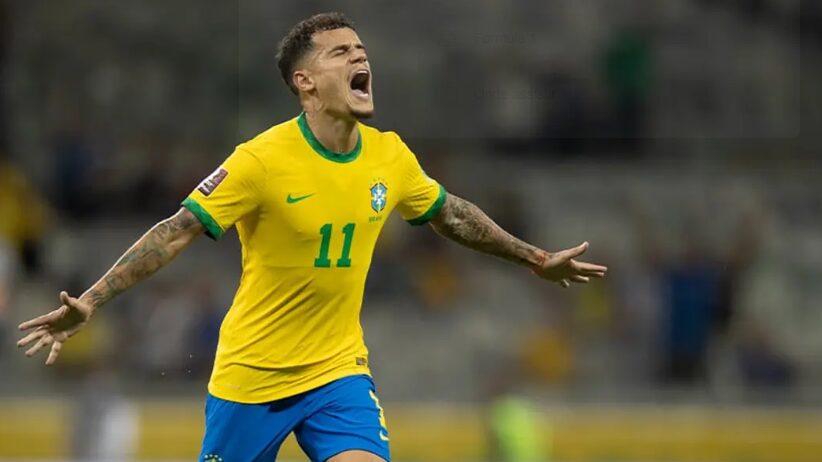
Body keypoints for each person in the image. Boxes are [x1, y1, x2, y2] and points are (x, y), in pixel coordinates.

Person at [17, 12, 607, 462]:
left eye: (361, 49)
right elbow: (175, 232)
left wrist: (534, 258)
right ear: (305, 81)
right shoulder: (261, 161)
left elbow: (453, 215)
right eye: (341, 51)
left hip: (337, 372)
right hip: (252, 378)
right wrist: (91, 299)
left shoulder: (389, 156)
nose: (359, 56)